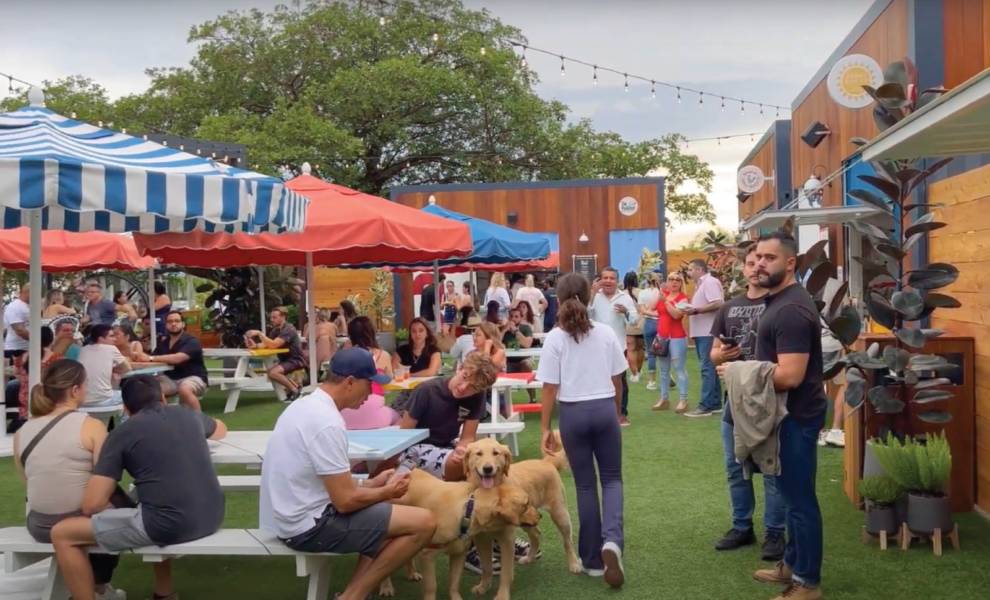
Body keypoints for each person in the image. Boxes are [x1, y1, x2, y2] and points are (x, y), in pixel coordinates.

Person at [259, 348, 436, 600]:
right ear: (350, 382)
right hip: (307, 527)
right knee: (424, 522)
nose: (374, 393)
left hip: (289, 517)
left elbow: (324, 482)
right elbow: (344, 502)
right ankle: (352, 597)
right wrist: (385, 491)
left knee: (390, 511)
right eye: (371, 384)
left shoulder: (304, 406)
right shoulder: (327, 422)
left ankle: (353, 595)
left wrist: (370, 482)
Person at [50, 374, 228, 600]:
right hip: (213, 515)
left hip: (170, 525)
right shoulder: (188, 415)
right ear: (163, 396)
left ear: (125, 407)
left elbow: (92, 504)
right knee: (151, 501)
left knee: (62, 533)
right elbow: (221, 429)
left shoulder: (122, 433)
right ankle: (164, 592)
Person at [726, 231, 826, 600]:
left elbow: (790, 375)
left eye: (770, 258)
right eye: (758, 257)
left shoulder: (791, 310)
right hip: (786, 417)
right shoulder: (779, 301)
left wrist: (738, 372)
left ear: (790, 263)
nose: (761, 263)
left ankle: (808, 583)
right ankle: (791, 565)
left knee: (800, 502)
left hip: (795, 417)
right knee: (789, 494)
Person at [538, 272, 627, 589]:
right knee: (612, 479)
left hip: (572, 414)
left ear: (558, 301)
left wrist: (546, 426)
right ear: (589, 299)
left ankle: (591, 561)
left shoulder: (553, 338)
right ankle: (612, 541)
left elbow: (549, 387)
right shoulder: (604, 333)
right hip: (603, 408)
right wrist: (616, 411)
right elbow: (618, 378)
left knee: (586, 487)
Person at [13, 359, 125, 600]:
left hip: (39, 524)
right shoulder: (92, 426)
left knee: (106, 506)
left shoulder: (23, 431)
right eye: (85, 385)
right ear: (75, 390)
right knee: (119, 507)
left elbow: (27, 480)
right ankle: (98, 587)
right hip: (76, 521)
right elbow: (104, 481)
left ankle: (96, 587)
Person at [710, 245, 786, 561]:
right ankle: (742, 526)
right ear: (744, 269)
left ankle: (775, 533)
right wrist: (721, 355)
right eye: (751, 263)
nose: (756, 267)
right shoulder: (729, 308)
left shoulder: (781, 305)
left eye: (762, 261)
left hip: (769, 399)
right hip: (735, 402)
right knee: (734, 467)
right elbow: (714, 352)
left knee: (771, 467)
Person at [397, 352, 500, 481]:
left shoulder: (478, 396)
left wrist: (462, 450)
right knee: (469, 467)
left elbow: (468, 437)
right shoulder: (426, 390)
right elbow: (404, 434)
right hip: (417, 448)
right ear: (460, 368)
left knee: (486, 462)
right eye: (464, 377)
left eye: (472, 387)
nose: (463, 388)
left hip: (447, 445)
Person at [588, 267, 639, 427]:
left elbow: (634, 321)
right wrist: (591, 295)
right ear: (600, 280)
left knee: (619, 381)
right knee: (597, 380)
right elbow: (586, 316)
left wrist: (626, 313)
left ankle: (621, 414)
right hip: (595, 347)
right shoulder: (594, 297)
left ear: (617, 281)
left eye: (612, 278)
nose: (608, 281)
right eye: (605, 278)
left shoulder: (625, 298)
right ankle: (600, 413)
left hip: (618, 346)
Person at [135, 310, 209, 411]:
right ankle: (165, 419)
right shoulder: (164, 342)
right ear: (166, 325)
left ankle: (199, 421)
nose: (173, 324)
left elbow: (178, 358)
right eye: (170, 321)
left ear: (183, 324)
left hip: (194, 378)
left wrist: (150, 358)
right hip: (170, 379)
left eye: (177, 321)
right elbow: (150, 358)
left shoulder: (191, 341)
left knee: (184, 389)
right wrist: (139, 353)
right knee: (149, 389)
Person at [681, 259, 725, 417]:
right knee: (710, 367)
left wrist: (697, 310)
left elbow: (718, 303)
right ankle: (715, 403)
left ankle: (705, 406)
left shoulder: (709, 282)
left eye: (690, 269)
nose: (688, 272)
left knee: (707, 368)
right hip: (702, 332)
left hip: (708, 332)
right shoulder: (701, 284)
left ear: (699, 269)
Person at [341, 316, 399, 429]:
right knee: (400, 418)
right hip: (374, 412)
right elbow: (389, 380)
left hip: (346, 416)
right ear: (372, 332)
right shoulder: (383, 355)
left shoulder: (345, 356)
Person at [245, 306, 307, 402]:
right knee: (271, 372)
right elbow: (267, 344)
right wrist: (255, 346)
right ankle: (295, 388)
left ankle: (295, 391)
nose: (271, 320)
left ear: (283, 317)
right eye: (271, 317)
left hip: (296, 360)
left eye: (274, 317)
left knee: (273, 372)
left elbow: (273, 345)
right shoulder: (276, 330)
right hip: (285, 360)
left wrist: (259, 333)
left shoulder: (289, 329)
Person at [653, 272, 690, 412]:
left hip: (677, 337)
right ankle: (664, 398)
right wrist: (658, 295)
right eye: (671, 279)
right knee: (663, 370)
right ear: (667, 281)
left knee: (679, 368)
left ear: (681, 283)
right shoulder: (663, 294)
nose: (674, 282)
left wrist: (666, 301)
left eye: (677, 280)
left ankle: (683, 399)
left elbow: (676, 315)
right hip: (662, 337)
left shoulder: (683, 298)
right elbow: (651, 309)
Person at [76, 325, 131, 413]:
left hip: (81, 400)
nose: (115, 339)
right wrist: (114, 370)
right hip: (103, 400)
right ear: (101, 339)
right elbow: (127, 368)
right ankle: (124, 425)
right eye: (111, 336)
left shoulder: (83, 349)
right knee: (130, 396)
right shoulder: (111, 349)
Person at [820, 328, 846, 448]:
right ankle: (835, 430)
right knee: (846, 382)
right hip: (833, 342)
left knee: (817, 383)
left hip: (818, 340)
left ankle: (819, 431)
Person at [638, 272, 662, 391]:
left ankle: (652, 381)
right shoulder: (662, 292)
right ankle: (667, 376)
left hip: (649, 323)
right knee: (664, 352)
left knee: (651, 353)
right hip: (662, 323)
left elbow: (642, 310)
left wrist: (651, 313)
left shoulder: (642, 293)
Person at [622, 271, 644, 383]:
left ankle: (634, 373)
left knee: (631, 350)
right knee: (640, 349)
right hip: (641, 324)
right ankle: (639, 371)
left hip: (628, 325)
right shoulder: (642, 292)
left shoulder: (621, 294)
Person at [4, 283, 31, 359]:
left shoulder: (27, 306)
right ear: (26, 292)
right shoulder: (15, 306)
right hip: (16, 350)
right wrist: (38, 341)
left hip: (25, 349)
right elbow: (19, 330)